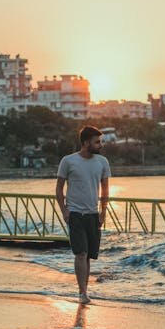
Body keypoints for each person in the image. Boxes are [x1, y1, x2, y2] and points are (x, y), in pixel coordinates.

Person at [56, 126, 111, 304]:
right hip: (75, 214)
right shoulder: (68, 161)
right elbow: (59, 188)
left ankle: (84, 290)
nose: (100, 145)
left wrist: (103, 213)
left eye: (100, 141)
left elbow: (105, 190)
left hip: (93, 214)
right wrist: (65, 211)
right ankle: (82, 293)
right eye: (97, 141)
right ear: (86, 142)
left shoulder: (102, 162)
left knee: (88, 255)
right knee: (80, 253)